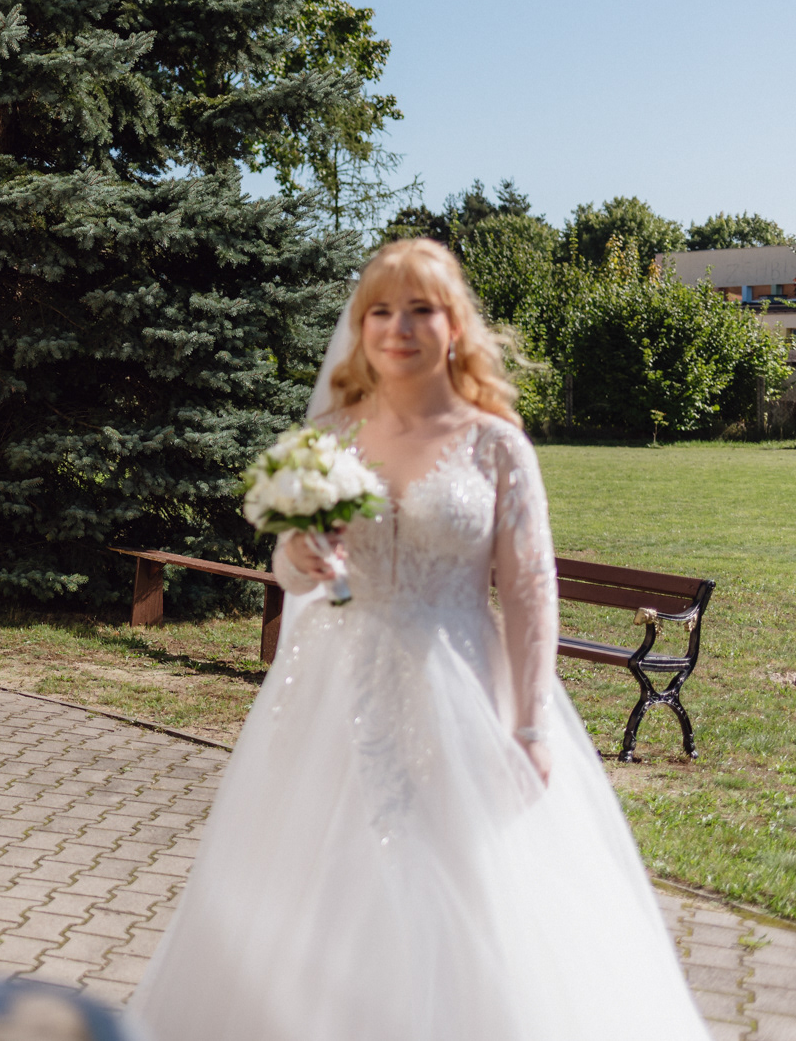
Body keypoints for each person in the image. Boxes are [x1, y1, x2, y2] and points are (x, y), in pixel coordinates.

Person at [127, 239, 705, 1040]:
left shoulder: (496, 445)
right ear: (360, 327)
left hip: (459, 691)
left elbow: (530, 593)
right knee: (320, 880)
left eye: (420, 309)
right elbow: (290, 567)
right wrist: (299, 556)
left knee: (458, 883)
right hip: (333, 692)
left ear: (455, 325)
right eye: (380, 311)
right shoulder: (332, 437)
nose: (398, 328)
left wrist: (530, 724)